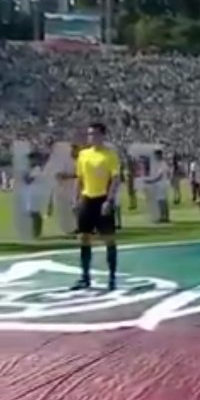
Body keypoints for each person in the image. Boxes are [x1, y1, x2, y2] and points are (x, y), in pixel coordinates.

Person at [72, 123, 121, 291]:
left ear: (102, 135)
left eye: (94, 134)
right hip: (87, 198)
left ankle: (112, 277)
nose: (91, 137)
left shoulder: (110, 155)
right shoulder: (83, 155)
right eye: (89, 134)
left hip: (103, 198)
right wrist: (76, 199)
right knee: (84, 238)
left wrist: (109, 200)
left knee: (108, 239)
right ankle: (85, 277)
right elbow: (79, 178)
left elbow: (115, 179)